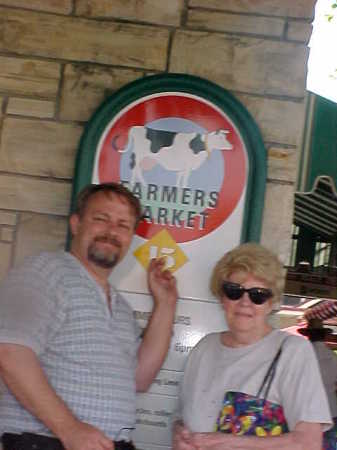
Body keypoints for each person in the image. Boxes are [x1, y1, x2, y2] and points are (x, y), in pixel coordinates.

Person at [0, 182, 178, 450]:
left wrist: (165, 304)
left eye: (123, 225)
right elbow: (10, 352)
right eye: (101, 219)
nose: (111, 232)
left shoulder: (120, 308)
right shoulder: (44, 272)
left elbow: (140, 378)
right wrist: (69, 428)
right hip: (49, 442)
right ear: (76, 224)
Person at [172, 242, 332, 450]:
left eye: (258, 295)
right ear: (222, 298)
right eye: (234, 291)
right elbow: (181, 416)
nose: (245, 302)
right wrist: (178, 435)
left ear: (271, 303)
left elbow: (308, 443)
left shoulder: (292, 352)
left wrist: (225, 441)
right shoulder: (204, 348)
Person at [298, 318, 337, 450]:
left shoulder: (300, 356)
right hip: (331, 410)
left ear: (308, 335)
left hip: (307, 412)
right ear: (324, 335)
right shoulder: (332, 357)